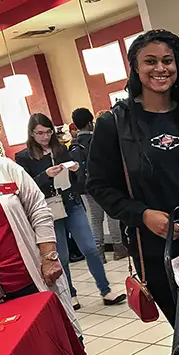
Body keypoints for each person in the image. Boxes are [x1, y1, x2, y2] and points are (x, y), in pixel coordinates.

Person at [87, 29, 179, 327]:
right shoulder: (115, 124)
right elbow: (97, 184)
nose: (160, 69)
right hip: (157, 251)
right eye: (150, 61)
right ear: (135, 67)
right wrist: (143, 214)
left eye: (167, 61)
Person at [0, 137, 82, 338]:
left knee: (63, 340)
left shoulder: (2, 168)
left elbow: (39, 208)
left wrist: (49, 258)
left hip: (33, 277)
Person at [15, 114, 122, 309]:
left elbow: (77, 178)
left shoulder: (61, 149)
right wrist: (45, 175)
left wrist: (74, 169)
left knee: (90, 248)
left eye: (48, 132)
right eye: (40, 133)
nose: (45, 137)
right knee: (61, 255)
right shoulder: (24, 157)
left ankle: (105, 290)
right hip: (48, 209)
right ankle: (70, 293)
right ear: (31, 133)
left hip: (70, 202)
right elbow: (25, 187)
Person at [69, 107, 128, 263]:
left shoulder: (73, 145)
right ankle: (118, 248)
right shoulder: (96, 139)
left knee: (95, 219)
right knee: (112, 215)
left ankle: (99, 254)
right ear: (90, 123)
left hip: (85, 186)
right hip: (104, 183)